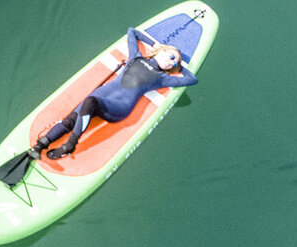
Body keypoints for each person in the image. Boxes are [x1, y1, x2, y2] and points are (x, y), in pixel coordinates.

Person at [30, 27, 198, 160]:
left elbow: (192, 79)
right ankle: (40, 146)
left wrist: (179, 67)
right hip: (102, 96)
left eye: (175, 62)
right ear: (161, 51)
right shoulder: (136, 57)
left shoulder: (161, 78)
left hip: (119, 107)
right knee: (69, 121)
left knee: (90, 102)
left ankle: (70, 145)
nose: (172, 62)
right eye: (171, 56)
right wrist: (156, 45)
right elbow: (132, 31)